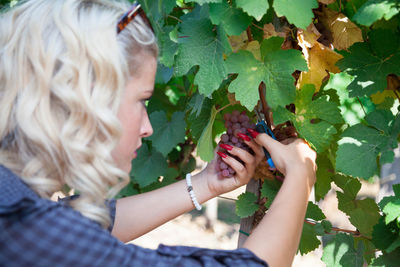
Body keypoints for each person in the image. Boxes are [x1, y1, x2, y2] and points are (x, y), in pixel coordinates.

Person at [0, 0, 317, 266]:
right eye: (141, 101)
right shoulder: (24, 229)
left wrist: (204, 185)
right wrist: (301, 175)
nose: (147, 127)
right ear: (84, 99)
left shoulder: (14, 205)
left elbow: (77, 221)